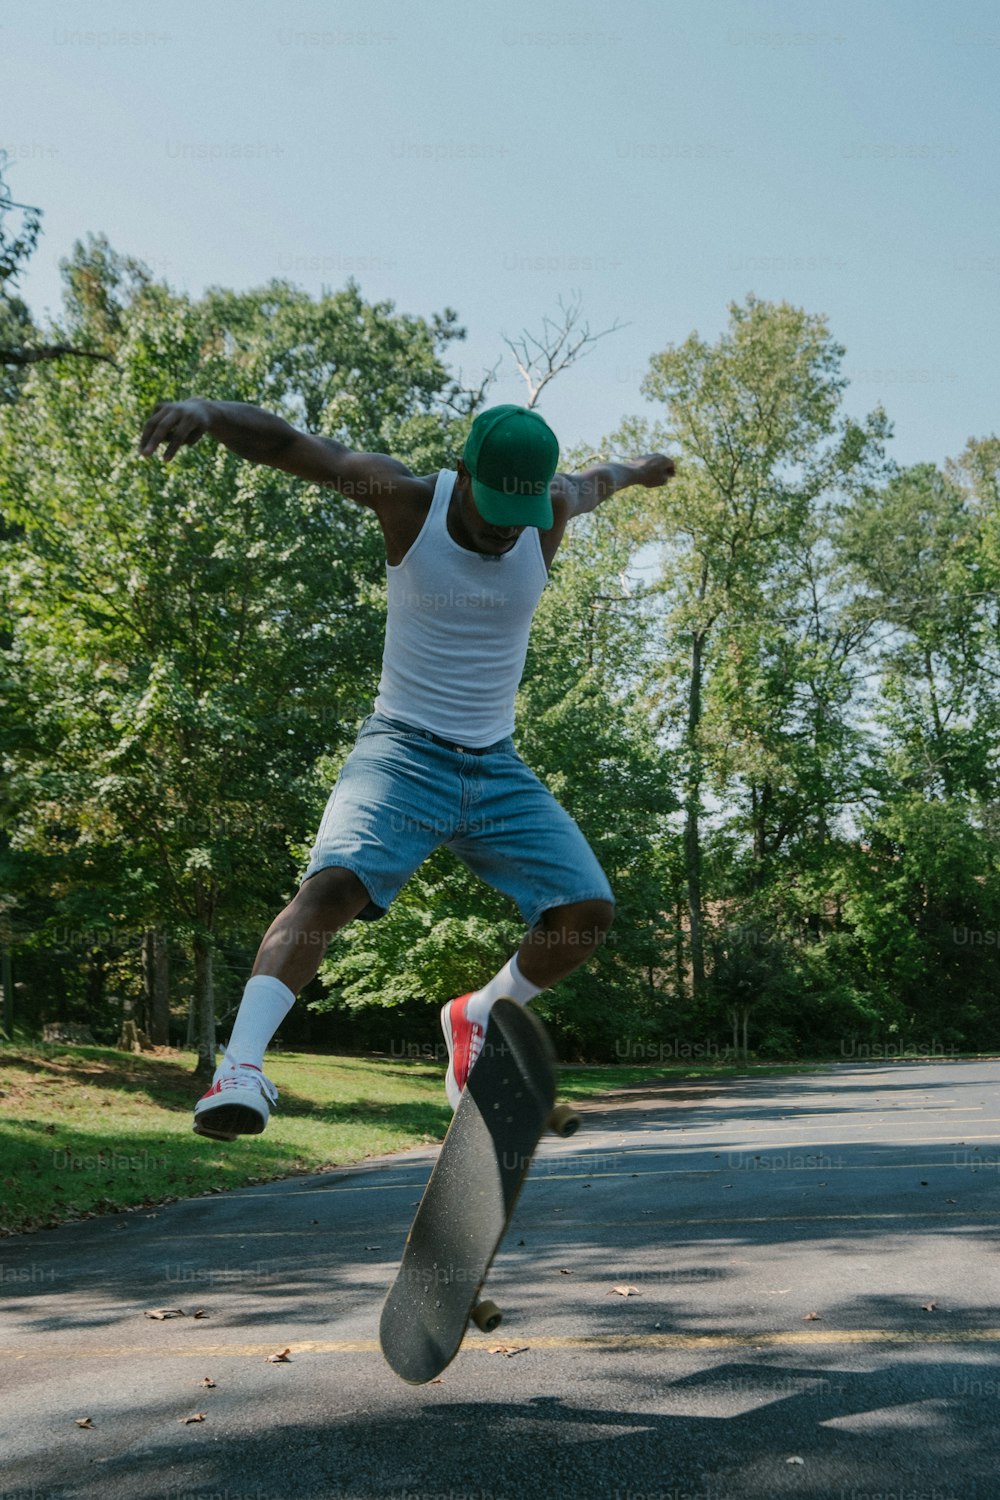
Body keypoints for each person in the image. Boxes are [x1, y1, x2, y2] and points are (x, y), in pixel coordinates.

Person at [139, 398, 675, 1139]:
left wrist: (645, 470)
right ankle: (242, 1068)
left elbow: (599, 479)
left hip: (497, 766)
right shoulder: (403, 498)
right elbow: (296, 446)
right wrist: (206, 412)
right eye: (490, 511)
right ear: (461, 473)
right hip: (401, 750)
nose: (501, 530)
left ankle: (478, 1016)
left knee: (585, 913)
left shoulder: (549, 508)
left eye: (515, 517)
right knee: (333, 887)